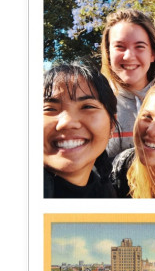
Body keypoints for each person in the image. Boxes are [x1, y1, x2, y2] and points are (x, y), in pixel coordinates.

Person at [101, 8, 155, 159]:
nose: (129, 56)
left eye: (139, 46)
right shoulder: (96, 102)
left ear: (152, 54)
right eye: (119, 46)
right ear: (108, 53)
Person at [44, 61, 119, 198]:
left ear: (112, 125)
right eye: (50, 109)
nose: (67, 123)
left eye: (87, 107)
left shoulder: (107, 193)